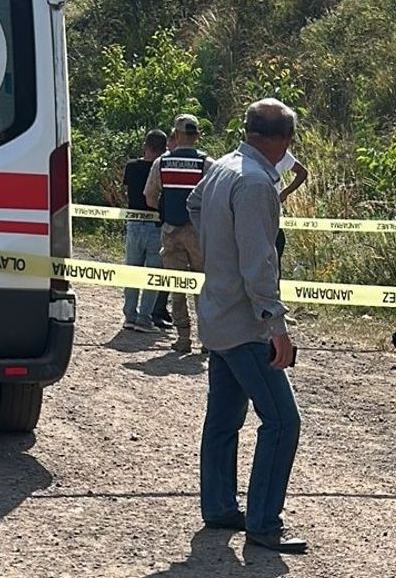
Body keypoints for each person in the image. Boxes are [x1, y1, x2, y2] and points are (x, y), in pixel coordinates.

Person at [187, 98, 307, 555]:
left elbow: (194, 206)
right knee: (283, 422)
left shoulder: (222, 167)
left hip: (217, 314)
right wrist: (276, 325)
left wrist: (216, 250)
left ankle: (220, 507)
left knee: (223, 420)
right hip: (246, 325)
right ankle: (263, 522)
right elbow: (260, 264)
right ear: (285, 141)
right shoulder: (257, 183)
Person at [145, 114, 212, 353]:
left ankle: (183, 339)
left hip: (171, 231)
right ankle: (207, 340)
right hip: (199, 233)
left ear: (175, 134)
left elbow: (150, 197)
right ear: (198, 136)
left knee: (177, 287)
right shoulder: (207, 164)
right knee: (204, 288)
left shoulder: (162, 162)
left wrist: (166, 210)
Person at [121, 129, 172, 332]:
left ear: (145, 145)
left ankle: (129, 315)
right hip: (156, 225)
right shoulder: (162, 168)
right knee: (153, 275)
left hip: (134, 223)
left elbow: (128, 192)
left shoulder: (132, 166)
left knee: (131, 270)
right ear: (164, 148)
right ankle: (144, 318)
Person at [272, 148, 308, 266]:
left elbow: (302, 172)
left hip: (274, 222)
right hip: (251, 223)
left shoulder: (279, 151)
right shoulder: (246, 157)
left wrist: (284, 193)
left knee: (273, 269)